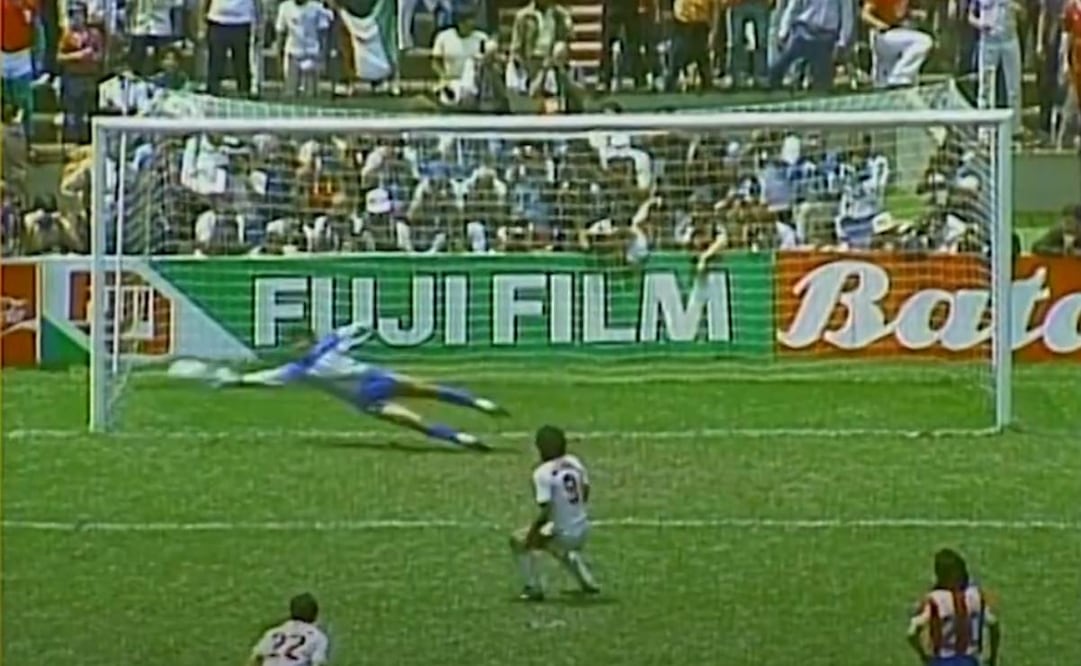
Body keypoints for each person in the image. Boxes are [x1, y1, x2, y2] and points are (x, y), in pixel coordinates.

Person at [210, 322, 507, 451]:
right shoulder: (298, 370)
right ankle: (462, 439)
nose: (296, 347)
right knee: (413, 421)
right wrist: (237, 381)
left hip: (376, 379)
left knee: (427, 388)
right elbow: (265, 379)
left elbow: (352, 330)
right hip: (366, 399)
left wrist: (360, 328)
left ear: (309, 339)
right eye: (293, 343)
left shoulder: (324, 347)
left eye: (299, 341)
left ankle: (480, 404)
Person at [509, 425, 600, 602]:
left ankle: (533, 588)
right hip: (583, 527)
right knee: (550, 542)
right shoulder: (574, 461)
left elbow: (547, 509)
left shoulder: (542, 473)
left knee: (519, 540)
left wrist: (532, 533)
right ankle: (587, 581)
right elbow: (585, 488)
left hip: (564, 533)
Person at [907, 549, 1001, 666]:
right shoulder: (975, 596)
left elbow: (912, 633)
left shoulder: (935, 600)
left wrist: (923, 655)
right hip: (969, 661)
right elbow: (993, 624)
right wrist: (992, 657)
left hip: (941, 661)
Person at [862, 0, 933, 87]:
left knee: (883, 82)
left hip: (896, 33)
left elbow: (898, 13)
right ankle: (900, 77)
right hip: (883, 35)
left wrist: (913, 14)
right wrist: (879, 24)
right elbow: (865, 15)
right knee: (923, 42)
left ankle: (897, 79)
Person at [248, 593, 329, 666]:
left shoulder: (274, 632)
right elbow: (318, 663)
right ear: (315, 614)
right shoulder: (317, 637)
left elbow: (255, 659)